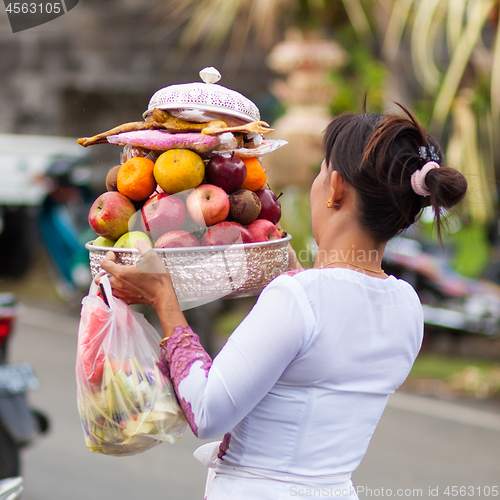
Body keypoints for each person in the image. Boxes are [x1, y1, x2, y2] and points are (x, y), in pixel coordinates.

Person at [97, 105, 467, 499]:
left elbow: (206, 412)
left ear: (336, 188)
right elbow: (328, 342)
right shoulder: (406, 305)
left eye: (321, 172)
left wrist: (163, 301)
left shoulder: (298, 298)